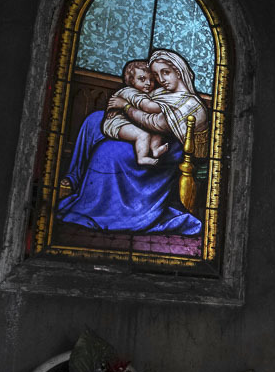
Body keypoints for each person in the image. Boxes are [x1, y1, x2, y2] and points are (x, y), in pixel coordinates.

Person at [56, 49, 209, 236]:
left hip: (167, 149)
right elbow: (144, 106)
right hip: (145, 132)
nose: (160, 79)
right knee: (93, 121)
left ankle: (100, 206)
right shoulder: (162, 91)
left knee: (107, 151)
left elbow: (157, 123)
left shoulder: (192, 104)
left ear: (178, 70)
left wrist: (125, 106)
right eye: (156, 75)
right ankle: (75, 179)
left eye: (165, 73)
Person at [101, 59, 170, 166]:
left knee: (156, 129)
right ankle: (142, 158)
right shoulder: (130, 92)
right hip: (118, 123)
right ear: (131, 80)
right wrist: (166, 107)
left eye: (151, 80)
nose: (148, 83)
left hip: (133, 121)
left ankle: (155, 149)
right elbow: (147, 107)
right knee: (143, 135)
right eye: (142, 79)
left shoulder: (146, 93)